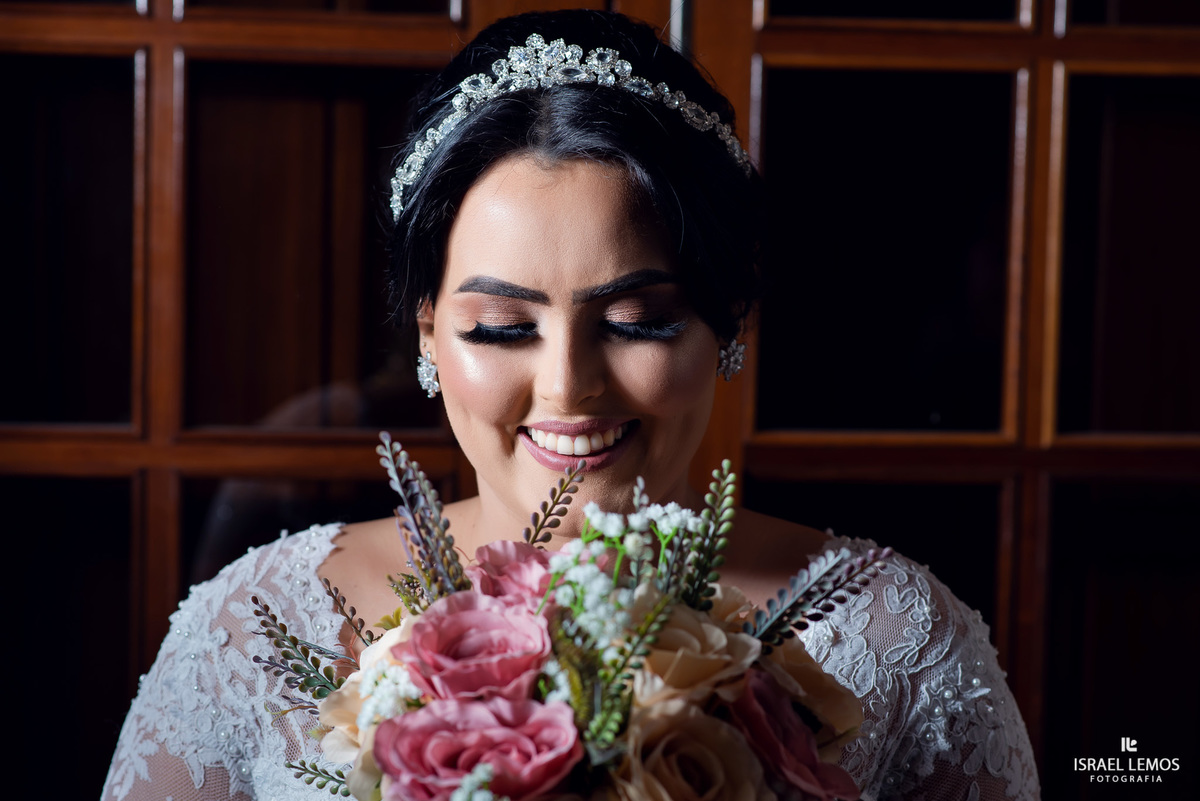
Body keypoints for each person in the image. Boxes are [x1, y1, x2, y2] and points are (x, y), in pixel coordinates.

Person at [101, 10, 1040, 801]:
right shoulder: (258, 627)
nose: (567, 387)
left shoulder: (896, 638)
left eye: (634, 320)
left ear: (727, 324)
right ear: (428, 332)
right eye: (504, 328)